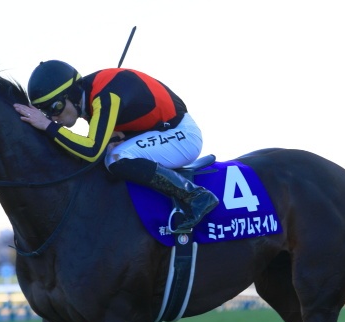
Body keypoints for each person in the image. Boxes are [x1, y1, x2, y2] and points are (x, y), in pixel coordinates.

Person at [13, 60, 218, 230]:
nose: (53, 117)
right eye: (46, 112)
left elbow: (91, 150)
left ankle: (196, 195)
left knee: (115, 159)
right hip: (159, 131)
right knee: (110, 156)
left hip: (182, 135)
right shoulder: (90, 98)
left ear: (72, 95)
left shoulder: (104, 96)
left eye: (55, 107)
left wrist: (47, 126)